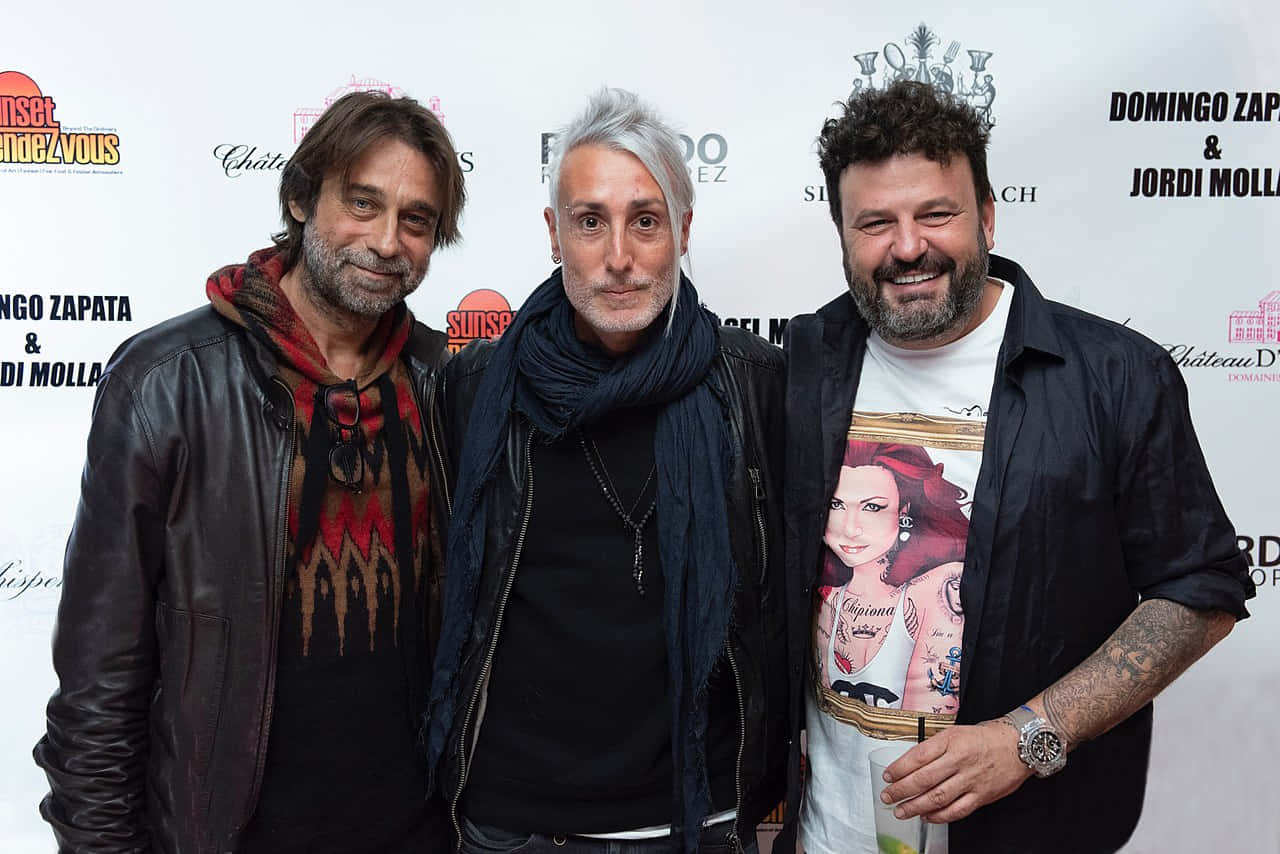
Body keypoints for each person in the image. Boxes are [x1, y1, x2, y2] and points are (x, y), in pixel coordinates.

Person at [779, 80, 1253, 854]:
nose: (907, 246)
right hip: (828, 830)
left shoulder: (1114, 375)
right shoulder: (802, 363)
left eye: (936, 213)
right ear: (840, 234)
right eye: (876, 223)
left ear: (988, 216)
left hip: (1035, 830)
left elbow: (1201, 590)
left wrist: (1028, 737)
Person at [33, 90, 465, 853]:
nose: (387, 241)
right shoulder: (167, 385)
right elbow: (99, 686)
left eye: (416, 220)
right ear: (301, 197)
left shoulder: (446, 385)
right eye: (362, 204)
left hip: (420, 833)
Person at [424, 88, 786, 854]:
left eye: (645, 221)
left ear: (683, 231)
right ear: (555, 235)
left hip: (696, 817)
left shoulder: (756, 387)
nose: (618, 258)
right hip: (513, 823)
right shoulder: (475, 389)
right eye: (590, 222)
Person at [816, 442, 969, 714]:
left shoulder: (935, 589)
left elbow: (927, 733)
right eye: (837, 505)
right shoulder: (828, 595)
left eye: (872, 507)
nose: (850, 528)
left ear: (904, 511)